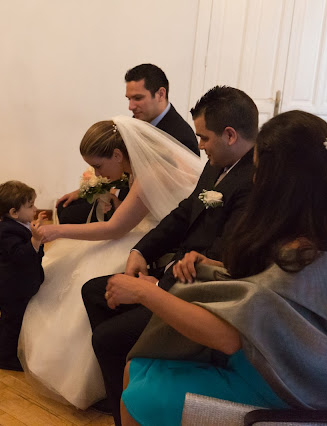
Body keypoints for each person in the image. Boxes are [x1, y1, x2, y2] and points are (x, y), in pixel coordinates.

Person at [114, 110, 327, 425]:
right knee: (138, 367)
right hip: (294, 360)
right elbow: (271, 296)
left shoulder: (308, 252)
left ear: (281, 182)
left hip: (300, 385)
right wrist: (211, 263)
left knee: (141, 394)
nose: (253, 180)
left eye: (258, 171)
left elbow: (229, 336)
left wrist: (145, 292)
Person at [82, 86, 258, 424]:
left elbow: (223, 254)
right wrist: (140, 250)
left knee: (107, 338)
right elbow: (183, 214)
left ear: (231, 135)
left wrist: (159, 283)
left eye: (204, 138)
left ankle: (128, 406)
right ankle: (122, 386)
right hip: (174, 271)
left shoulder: (252, 181)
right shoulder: (218, 164)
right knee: (94, 291)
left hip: (199, 291)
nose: (200, 146)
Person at [18, 117, 203, 409]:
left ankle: (108, 380)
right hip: (145, 233)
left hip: (154, 244)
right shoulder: (136, 165)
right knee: (74, 265)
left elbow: (115, 229)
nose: (96, 173)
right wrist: (88, 191)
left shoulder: (151, 173)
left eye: (99, 166)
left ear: (118, 155)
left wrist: (58, 231)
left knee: (85, 269)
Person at [57, 64, 199, 225]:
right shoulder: (136, 122)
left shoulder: (180, 136)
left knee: (69, 215)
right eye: (129, 99)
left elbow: (172, 195)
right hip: (121, 198)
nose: (130, 106)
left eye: (138, 98)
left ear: (160, 94)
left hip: (146, 215)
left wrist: (119, 203)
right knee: (64, 206)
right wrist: (84, 191)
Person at [0, 180, 47, 372]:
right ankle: (7, 358)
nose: (35, 209)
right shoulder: (6, 230)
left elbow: (34, 253)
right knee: (13, 323)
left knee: (7, 319)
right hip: (12, 288)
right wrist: (35, 240)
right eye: (30, 206)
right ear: (14, 212)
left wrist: (35, 235)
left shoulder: (19, 225)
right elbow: (21, 256)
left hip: (15, 286)